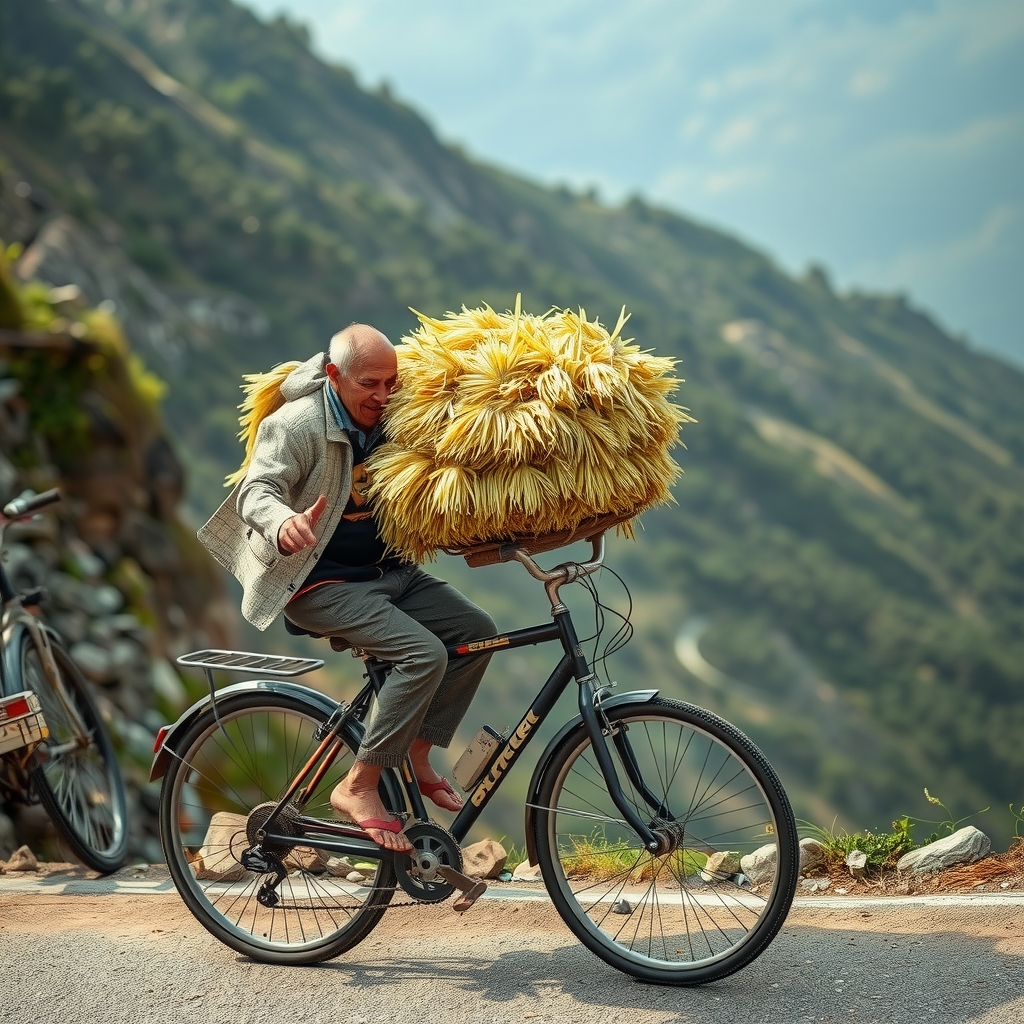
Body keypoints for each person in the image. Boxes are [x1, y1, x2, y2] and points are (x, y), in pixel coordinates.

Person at [198, 323, 495, 852]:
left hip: (389, 574)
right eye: (369, 384)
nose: (382, 396)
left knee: (477, 632)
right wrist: (283, 522)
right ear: (334, 377)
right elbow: (256, 490)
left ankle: (418, 752)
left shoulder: (398, 413)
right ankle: (358, 786)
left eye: (390, 383)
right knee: (424, 655)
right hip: (319, 584)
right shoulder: (297, 425)